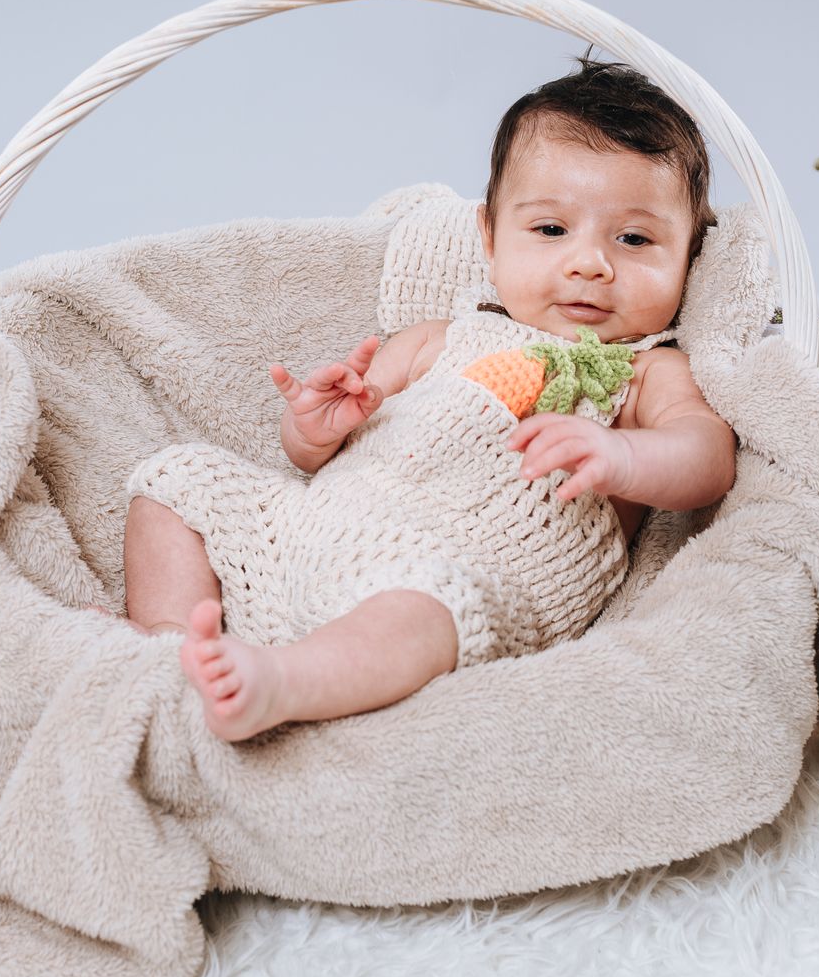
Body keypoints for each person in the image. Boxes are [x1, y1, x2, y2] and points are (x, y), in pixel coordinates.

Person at [115, 55, 737, 741]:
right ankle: (170, 649)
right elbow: (312, 459)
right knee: (178, 480)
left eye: (635, 238)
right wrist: (316, 429)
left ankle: (281, 682)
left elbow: (707, 456)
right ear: (490, 238)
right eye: (551, 230)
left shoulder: (645, 372)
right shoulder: (438, 338)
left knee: (426, 610)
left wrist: (622, 456)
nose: (590, 263)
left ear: (690, 258)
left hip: (455, 576)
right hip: (311, 534)